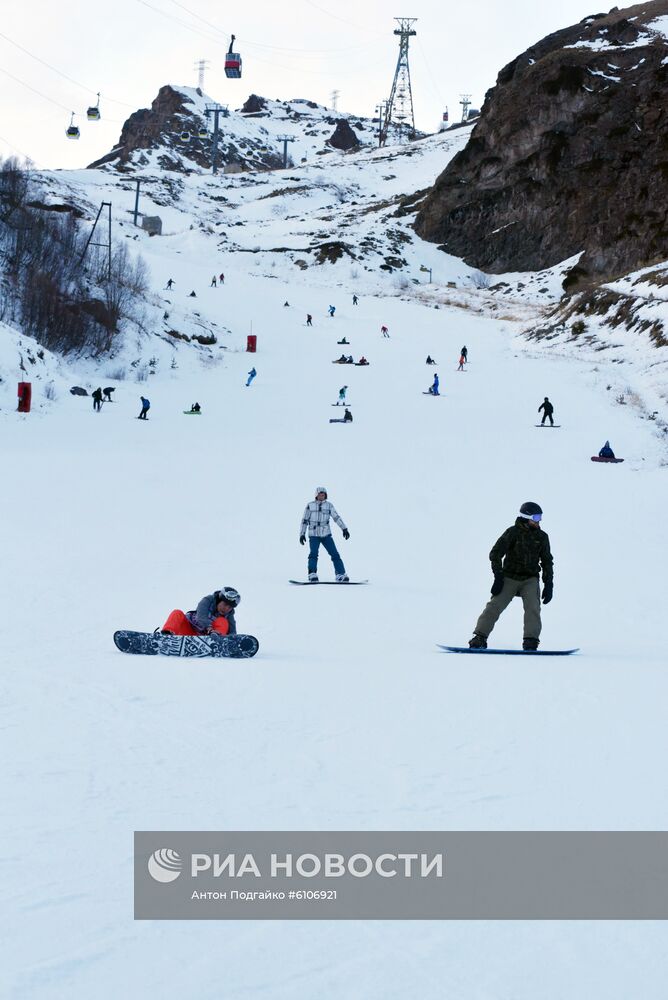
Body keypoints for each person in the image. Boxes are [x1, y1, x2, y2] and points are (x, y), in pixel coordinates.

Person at [468, 502, 553, 652]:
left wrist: (549, 584)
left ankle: (531, 641)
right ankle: (479, 637)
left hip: (530, 579)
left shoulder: (542, 537)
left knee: (533, 608)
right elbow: (495, 553)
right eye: (536, 517)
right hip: (509, 577)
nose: (539, 521)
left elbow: (547, 561)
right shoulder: (513, 532)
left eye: (540, 517)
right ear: (526, 517)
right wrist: (498, 576)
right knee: (494, 606)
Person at [299, 487, 350, 582]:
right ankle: (312, 573)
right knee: (313, 554)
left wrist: (344, 528)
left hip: (326, 534)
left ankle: (340, 574)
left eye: (323, 495)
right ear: (316, 495)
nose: (322, 496)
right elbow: (304, 520)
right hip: (314, 535)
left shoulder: (329, 505)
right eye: (320, 494)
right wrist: (302, 534)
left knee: (335, 554)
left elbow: (336, 517)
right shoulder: (310, 505)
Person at [161, 587, 240, 637]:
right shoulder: (208, 600)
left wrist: (233, 640)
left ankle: (218, 641)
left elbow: (232, 630)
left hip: (206, 639)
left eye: (230, 607)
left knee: (223, 621)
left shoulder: (229, 613)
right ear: (219, 600)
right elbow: (201, 617)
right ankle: (166, 636)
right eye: (225, 604)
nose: (226, 609)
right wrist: (209, 629)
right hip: (188, 629)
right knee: (177, 612)